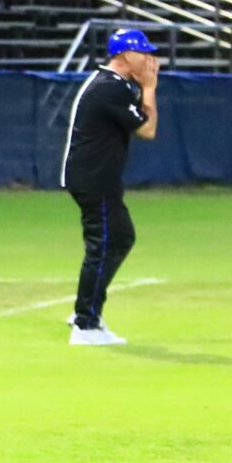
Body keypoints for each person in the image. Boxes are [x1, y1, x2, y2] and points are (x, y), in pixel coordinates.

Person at [61, 27, 159, 346]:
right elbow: (147, 130)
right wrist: (150, 88)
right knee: (104, 244)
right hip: (95, 179)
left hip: (94, 177)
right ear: (125, 55)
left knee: (119, 238)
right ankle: (85, 324)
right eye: (143, 53)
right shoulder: (111, 89)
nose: (149, 59)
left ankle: (87, 308)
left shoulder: (109, 84)